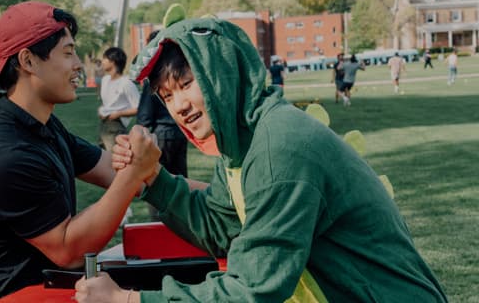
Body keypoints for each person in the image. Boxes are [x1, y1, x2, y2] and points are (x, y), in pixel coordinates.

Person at [75, 18, 448, 302]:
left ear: (223, 73)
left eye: (188, 84)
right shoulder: (245, 141)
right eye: (167, 96)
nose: (180, 106)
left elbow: (254, 288)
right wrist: (154, 178)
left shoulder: (278, 149)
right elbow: (220, 227)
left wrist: (127, 298)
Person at [0, 1, 161, 302]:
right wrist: (132, 174)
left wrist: (223, 199)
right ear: (27, 60)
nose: (79, 64)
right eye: (68, 53)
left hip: (50, 289)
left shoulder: (45, 127)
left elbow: (112, 168)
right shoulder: (5, 154)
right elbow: (69, 250)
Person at [137, 30, 188, 221]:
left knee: (157, 183)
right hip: (180, 132)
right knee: (181, 181)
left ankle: (160, 224)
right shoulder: (178, 70)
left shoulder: (154, 76)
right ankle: (182, 221)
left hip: (162, 135)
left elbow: (145, 115)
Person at [98, 47, 140, 151]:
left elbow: (139, 108)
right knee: (102, 159)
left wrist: (118, 114)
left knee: (115, 160)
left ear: (113, 61)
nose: (102, 61)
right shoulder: (105, 80)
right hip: (104, 125)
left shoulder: (126, 83)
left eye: (105, 58)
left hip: (117, 127)